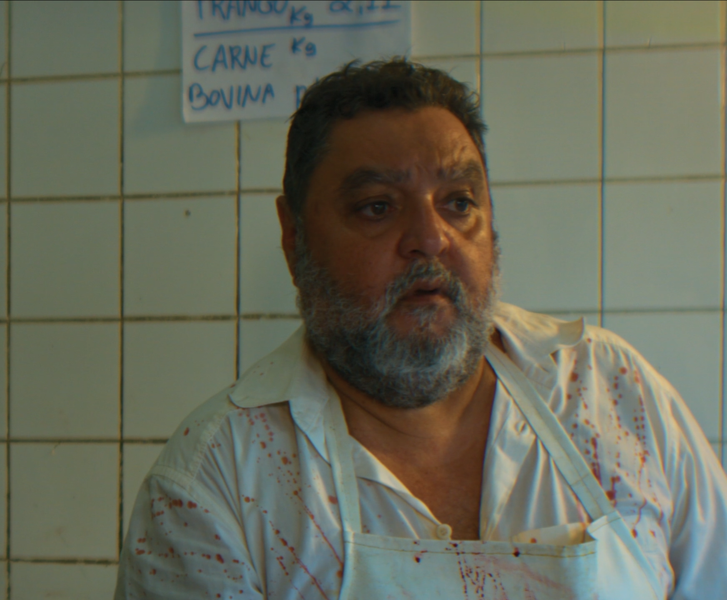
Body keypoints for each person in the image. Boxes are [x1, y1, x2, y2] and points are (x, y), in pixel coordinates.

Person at [115, 58, 727, 599]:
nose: (431, 239)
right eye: (377, 206)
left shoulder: (610, 391)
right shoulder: (217, 482)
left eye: (458, 201)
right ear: (293, 236)